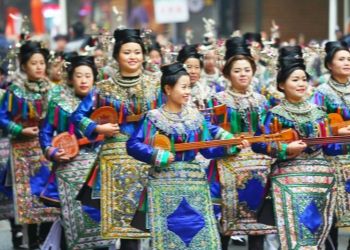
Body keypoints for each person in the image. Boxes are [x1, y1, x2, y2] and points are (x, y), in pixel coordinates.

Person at [126, 61, 249, 249]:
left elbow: (208, 150)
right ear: (168, 88)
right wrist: (157, 155)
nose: (187, 92)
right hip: (163, 183)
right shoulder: (153, 117)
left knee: (200, 235)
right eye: (183, 87)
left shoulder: (196, 117)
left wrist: (233, 146)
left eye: (189, 87)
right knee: (168, 236)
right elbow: (132, 144)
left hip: (194, 183)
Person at [251, 45, 349, 249]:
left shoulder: (320, 113)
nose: (301, 84)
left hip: (320, 180)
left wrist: (343, 141)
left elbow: (329, 148)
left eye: (304, 79)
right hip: (288, 179)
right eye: (295, 80)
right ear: (281, 85)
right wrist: (284, 150)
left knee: (315, 232)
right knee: (290, 234)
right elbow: (259, 143)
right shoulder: (275, 113)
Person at [71, 28, 159, 249]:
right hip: (115, 160)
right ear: (117, 55)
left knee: (142, 219)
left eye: (137, 52)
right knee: (122, 221)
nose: (132, 57)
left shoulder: (155, 85)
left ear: (144, 55)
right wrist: (98, 128)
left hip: (145, 155)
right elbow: (77, 116)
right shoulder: (103, 88)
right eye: (127, 52)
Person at [0, 41, 63, 249]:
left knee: (50, 197)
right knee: (28, 199)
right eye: (33, 63)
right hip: (22, 150)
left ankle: (46, 240)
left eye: (42, 63)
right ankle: (33, 241)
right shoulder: (14, 91)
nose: (39, 67)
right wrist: (20, 130)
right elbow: (2, 118)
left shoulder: (55, 91)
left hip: (49, 149)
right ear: (24, 65)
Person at [212, 37, 270, 250]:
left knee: (259, 223)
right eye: (237, 70)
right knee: (224, 223)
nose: (243, 74)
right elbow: (209, 132)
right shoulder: (216, 100)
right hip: (226, 164)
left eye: (247, 69)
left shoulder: (262, 101)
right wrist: (230, 143)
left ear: (253, 71)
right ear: (227, 74)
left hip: (259, 166)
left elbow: (267, 130)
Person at [310, 41, 350, 250]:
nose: (347, 63)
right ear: (329, 64)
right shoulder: (321, 92)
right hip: (332, 159)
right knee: (332, 214)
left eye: (349, 59)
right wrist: (337, 131)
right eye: (341, 59)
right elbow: (314, 123)